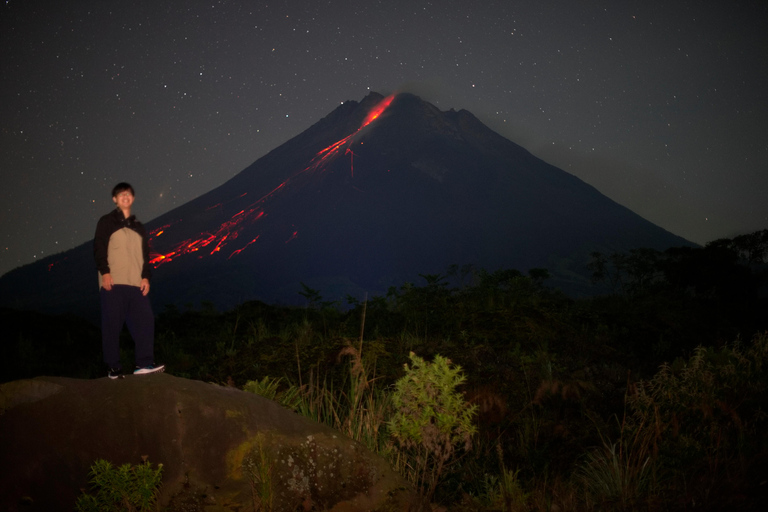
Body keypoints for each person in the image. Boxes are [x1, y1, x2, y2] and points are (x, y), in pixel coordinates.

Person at [94, 182, 164, 379]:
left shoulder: (139, 227)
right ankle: (113, 368)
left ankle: (143, 364)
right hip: (113, 282)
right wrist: (105, 272)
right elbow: (99, 247)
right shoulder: (106, 222)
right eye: (120, 194)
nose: (125, 197)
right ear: (115, 199)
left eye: (128, 194)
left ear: (132, 199)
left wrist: (146, 278)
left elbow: (145, 257)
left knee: (145, 321)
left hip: (136, 284)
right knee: (111, 325)